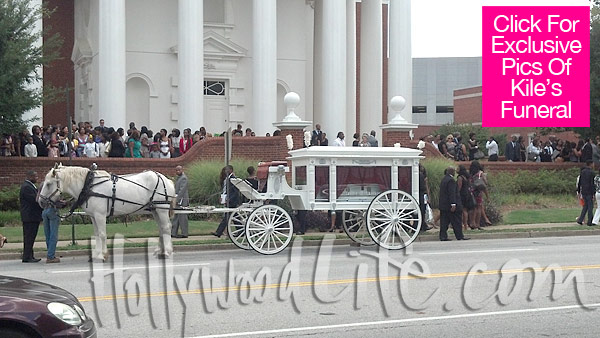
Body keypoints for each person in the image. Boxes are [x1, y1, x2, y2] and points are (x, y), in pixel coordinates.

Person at [438, 167, 469, 241]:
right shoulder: (451, 180)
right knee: (457, 221)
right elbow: (451, 193)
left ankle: (443, 236)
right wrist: (453, 204)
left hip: (444, 205)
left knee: (444, 222)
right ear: (452, 172)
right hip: (450, 205)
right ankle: (459, 236)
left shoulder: (444, 179)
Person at [20, 171, 44, 263]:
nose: (37, 178)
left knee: (30, 237)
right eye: (35, 176)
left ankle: (30, 255)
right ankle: (27, 257)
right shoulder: (26, 187)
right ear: (30, 177)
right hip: (30, 217)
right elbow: (35, 200)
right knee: (29, 237)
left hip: (32, 216)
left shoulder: (29, 186)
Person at [212, 165, 240, 237]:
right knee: (235, 216)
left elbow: (235, 191)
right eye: (225, 170)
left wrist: (229, 199)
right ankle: (241, 230)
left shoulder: (233, 179)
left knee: (227, 216)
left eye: (227, 170)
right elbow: (225, 189)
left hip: (231, 201)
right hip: (227, 198)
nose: (225, 171)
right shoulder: (227, 179)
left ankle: (219, 232)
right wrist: (222, 196)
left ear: (231, 170)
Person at [41, 197, 65, 263]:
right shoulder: (52, 187)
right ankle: (50, 256)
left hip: (44, 210)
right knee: (53, 235)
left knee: (47, 234)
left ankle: (50, 253)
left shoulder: (42, 188)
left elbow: (38, 200)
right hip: (52, 210)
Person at [171, 166, 189, 238]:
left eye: (179, 170)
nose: (177, 171)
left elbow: (182, 190)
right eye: (176, 170)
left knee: (182, 217)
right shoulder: (178, 178)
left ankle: (184, 233)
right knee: (176, 216)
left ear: (182, 170)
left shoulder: (184, 178)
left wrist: (177, 200)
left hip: (183, 200)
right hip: (178, 200)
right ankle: (173, 233)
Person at [457, 165, 477, 230]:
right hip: (467, 194)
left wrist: (456, 194)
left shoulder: (460, 178)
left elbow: (459, 188)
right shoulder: (467, 177)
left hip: (462, 194)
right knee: (467, 210)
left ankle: (465, 225)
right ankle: (469, 224)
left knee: (464, 210)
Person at [577, 160, 595, 226]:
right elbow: (592, 183)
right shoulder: (592, 173)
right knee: (590, 206)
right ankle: (590, 221)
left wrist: (579, 190)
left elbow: (580, 182)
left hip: (584, 190)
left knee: (585, 206)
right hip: (589, 191)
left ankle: (580, 219)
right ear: (590, 164)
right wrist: (593, 192)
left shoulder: (582, 172)